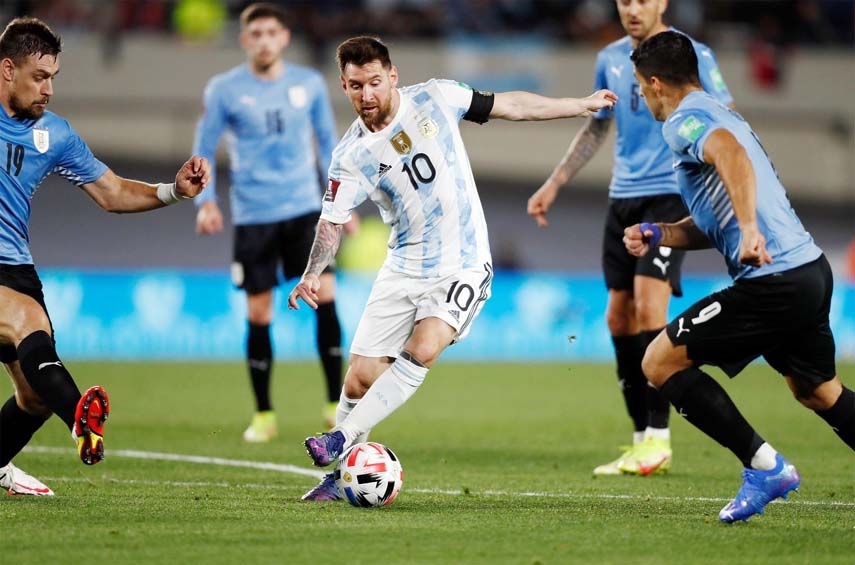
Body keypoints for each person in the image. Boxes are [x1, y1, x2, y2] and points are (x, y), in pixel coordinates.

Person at [288, 35, 618, 501]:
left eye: (375, 82)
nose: (367, 95)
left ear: (393, 76)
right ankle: (337, 479)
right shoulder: (350, 158)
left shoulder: (436, 97)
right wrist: (312, 271)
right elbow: (331, 222)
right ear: (343, 85)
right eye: (356, 86)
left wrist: (578, 103)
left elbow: (512, 105)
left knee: (424, 346)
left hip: (463, 260)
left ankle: (340, 440)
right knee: (360, 377)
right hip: (403, 264)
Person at [624, 30, 854, 523]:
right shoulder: (720, 111)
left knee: (658, 362)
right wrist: (660, 231)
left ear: (658, 84)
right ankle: (766, 464)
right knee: (817, 391)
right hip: (808, 272)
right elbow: (716, 214)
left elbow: (729, 154)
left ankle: (764, 466)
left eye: (642, 89)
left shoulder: (685, 122)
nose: (643, 99)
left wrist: (750, 230)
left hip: (773, 280)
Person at [0, 17, 210, 496]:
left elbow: (112, 192)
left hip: (16, 265)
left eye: (54, 77)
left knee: (32, 398)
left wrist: (172, 191)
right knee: (25, 319)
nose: (49, 88)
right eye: (39, 77)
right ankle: (80, 420)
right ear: (8, 69)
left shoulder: (55, 135)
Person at [526, 0, 733, 476]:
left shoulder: (692, 53)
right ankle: (641, 435)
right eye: (624, 1)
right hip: (622, 198)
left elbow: (726, 115)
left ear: (662, 2)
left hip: (670, 196)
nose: (632, 9)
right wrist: (554, 183)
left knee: (647, 306)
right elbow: (596, 128)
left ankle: (659, 438)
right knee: (618, 318)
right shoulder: (611, 58)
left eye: (642, 0)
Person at [192, 3, 347, 442]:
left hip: (304, 212)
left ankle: (335, 404)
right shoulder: (224, 89)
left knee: (327, 296)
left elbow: (329, 144)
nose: (263, 40)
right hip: (254, 216)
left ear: (284, 37)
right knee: (259, 313)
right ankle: (264, 413)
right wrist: (205, 201)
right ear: (245, 40)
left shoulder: (310, 83)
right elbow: (203, 146)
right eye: (254, 33)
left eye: (270, 33)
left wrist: (342, 205)